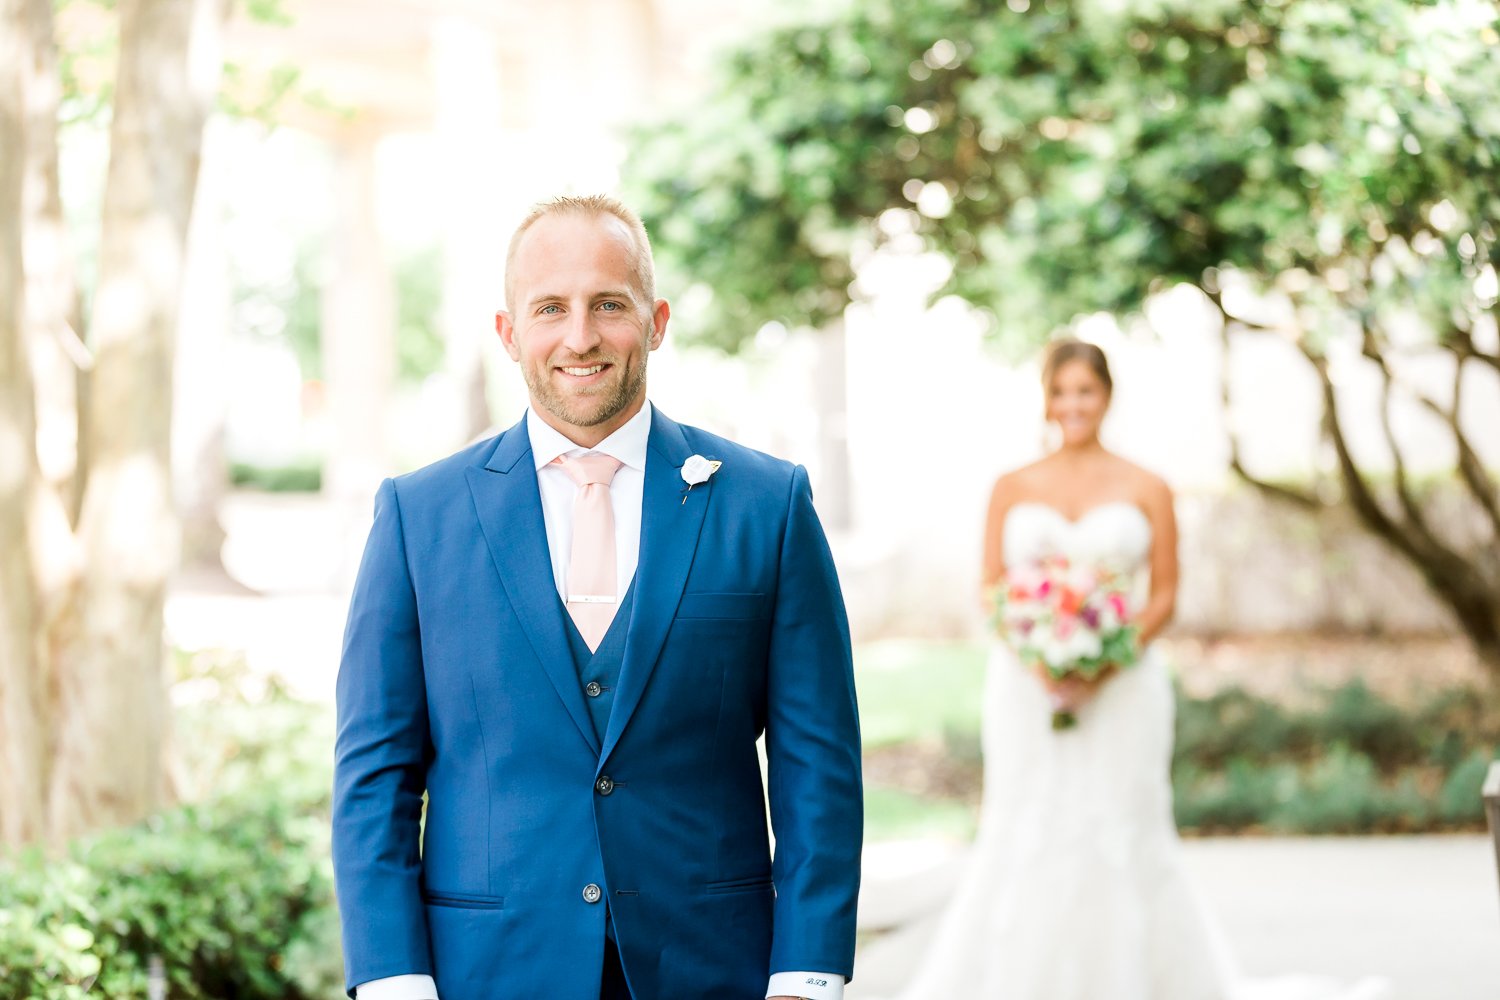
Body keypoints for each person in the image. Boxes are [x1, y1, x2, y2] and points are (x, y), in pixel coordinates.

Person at [332, 195, 863, 1000]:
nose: (580, 337)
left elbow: (816, 759)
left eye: (608, 305)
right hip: (488, 967)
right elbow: (375, 769)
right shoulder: (417, 516)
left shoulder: (767, 505)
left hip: (715, 964)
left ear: (656, 321)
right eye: (551, 308)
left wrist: (808, 971)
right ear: (509, 334)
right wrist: (392, 978)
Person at [890, 339, 1388, 999]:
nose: (1073, 405)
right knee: (1024, 826)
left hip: (1124, 686)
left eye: (1085, 392)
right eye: (1060, 392)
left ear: (1107, 397)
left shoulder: (1146, 486)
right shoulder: (1011, 487)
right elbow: (991, 588)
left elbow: (1163, 596)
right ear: (1046, 398)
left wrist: (1101, 660)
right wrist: (1040, 655)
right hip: (1025, 687)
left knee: (1123, 826)